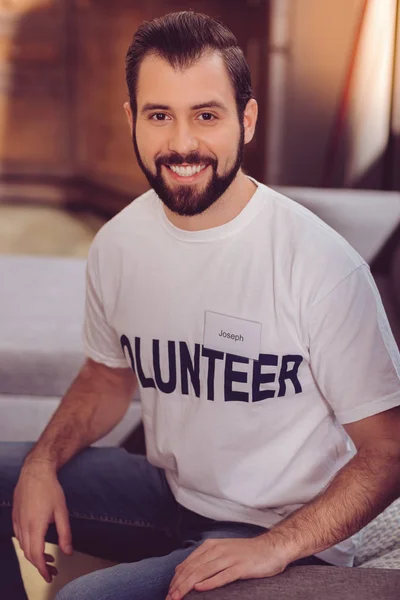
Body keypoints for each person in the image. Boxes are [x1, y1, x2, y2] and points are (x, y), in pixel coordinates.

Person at [1, 10, 400, 600]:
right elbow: (107, 377)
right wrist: (41, 464)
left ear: (247, 119)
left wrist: (276, 546)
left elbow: (388, 450)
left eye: (206, 116)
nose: (182, 143)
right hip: (172, 494)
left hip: (285, 530)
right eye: (160, 115)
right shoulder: (118, 244)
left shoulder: (319, 265)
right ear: (132, 119)